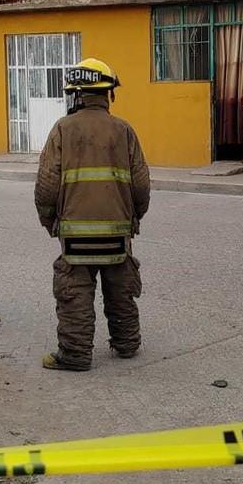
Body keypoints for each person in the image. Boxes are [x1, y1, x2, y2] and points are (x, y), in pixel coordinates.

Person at [34, 58, 150, 371]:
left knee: (74, 293)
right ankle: (126, 344)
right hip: (116, 233)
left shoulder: (62, 129)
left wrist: (49, 219)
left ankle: (75, 355)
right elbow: (141, 183)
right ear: (107, 94)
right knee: (120, 288)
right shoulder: (124, 129)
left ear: (75, 94)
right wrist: (133, 219)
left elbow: (47, 183)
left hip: (75, 235)